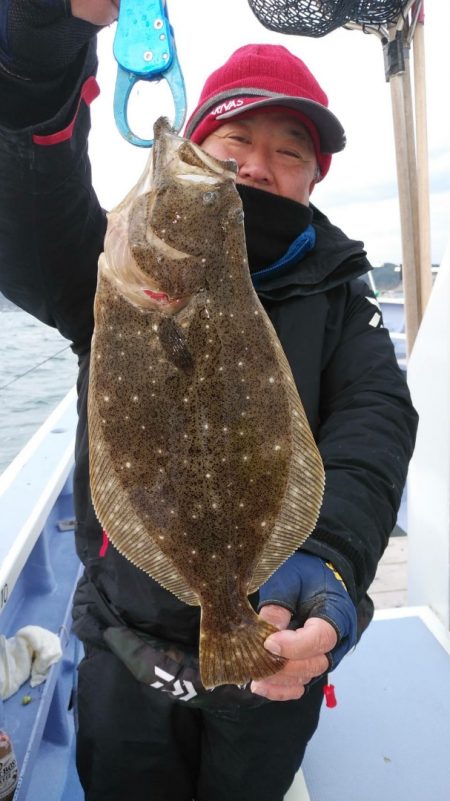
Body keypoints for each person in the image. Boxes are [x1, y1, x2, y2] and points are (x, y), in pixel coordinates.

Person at [0, 2, 418, 800]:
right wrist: (42, 50)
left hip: (268, 643)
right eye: (234, 142)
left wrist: (326, 552)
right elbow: (25, 212)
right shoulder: (114, 277)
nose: (258, 165)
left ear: (314, 176)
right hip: (126, 651)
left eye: (288, 150)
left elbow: (376, 424)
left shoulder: (339, 296)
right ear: (197, 147)